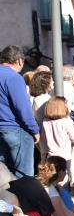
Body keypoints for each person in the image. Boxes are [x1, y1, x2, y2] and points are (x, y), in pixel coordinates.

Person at [0, 45, 40, 177]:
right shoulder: (14, 77)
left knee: (4, 175)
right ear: (19, 61)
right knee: (24, 175)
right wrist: (34, 130)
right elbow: (22, 107)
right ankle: (23, 198)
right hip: (15, 129)